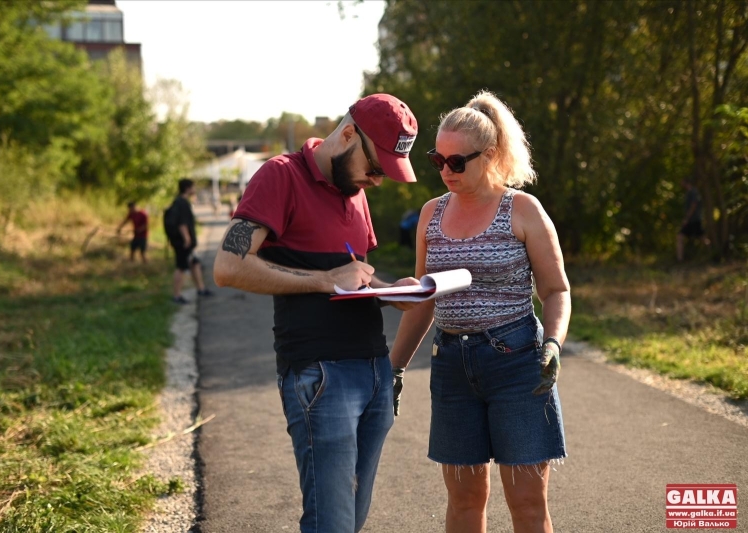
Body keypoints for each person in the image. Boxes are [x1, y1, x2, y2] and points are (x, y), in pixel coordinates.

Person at [213, 93, 421, 533]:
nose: (377, 181)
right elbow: (228, 267)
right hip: (321, 375)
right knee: (333, 522)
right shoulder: (280, 176)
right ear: (348, 135)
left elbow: (353, 275)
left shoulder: (356, 189)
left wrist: (392, 292)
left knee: (351, 518)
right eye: (375, 167)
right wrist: (322, 280)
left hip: (375, 371)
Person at [389, 90, 571, 533]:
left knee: (527, 503)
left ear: (489, 155)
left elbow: (556, 289)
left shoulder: (523, 210)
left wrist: (552, 343)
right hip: (451, 366)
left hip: (517, 364)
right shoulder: (431, 215)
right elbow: (424, 300)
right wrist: (392, 369)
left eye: (458, 162)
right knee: (465, 502)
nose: (446, 171)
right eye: (438, 160)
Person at [167, 178, 213, 304]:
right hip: (183, 243)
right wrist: (187, 239)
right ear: (187, 188)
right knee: (181, 267)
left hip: (183, 242)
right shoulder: (182, 203)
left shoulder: (178, 202)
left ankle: (201, 289)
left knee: (195, 263)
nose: (194, 189)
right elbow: (182, 223)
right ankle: (176, 296)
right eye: (193, 187)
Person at [676, 177, 707, 262]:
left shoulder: (693, 192)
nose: (681, 184)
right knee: (680, 237)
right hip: (692, 220)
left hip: (694, 220)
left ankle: (713, 253)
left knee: (702, 238)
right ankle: (680, 259)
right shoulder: (689, 193)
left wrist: (687, 218)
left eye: (682, 182)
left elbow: (693, 206)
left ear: (686, 182)